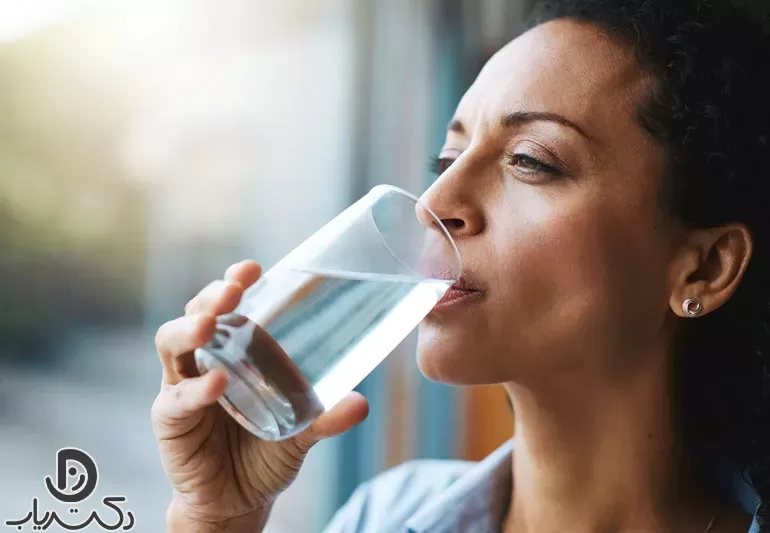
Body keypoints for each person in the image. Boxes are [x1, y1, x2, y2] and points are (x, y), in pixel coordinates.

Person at [151, 0, 770, 531]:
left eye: (531, 161)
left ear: (704, 269)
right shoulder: (385, 515)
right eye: (446, 159)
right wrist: (215, 520)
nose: (434, 204)